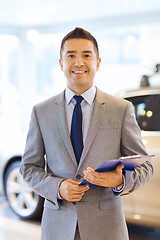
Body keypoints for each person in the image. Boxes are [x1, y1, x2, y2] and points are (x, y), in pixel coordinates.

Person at [20, 27, 153, 240]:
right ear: (61, 63)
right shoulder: (41, 112)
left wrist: (119, 180)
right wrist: (58, 188)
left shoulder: (121, 109)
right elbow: (28, 168)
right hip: (57, 228)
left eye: (86, 55)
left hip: (107, 229)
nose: (79, 62)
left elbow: (145, 167)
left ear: (98, 63)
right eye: (71, 55)